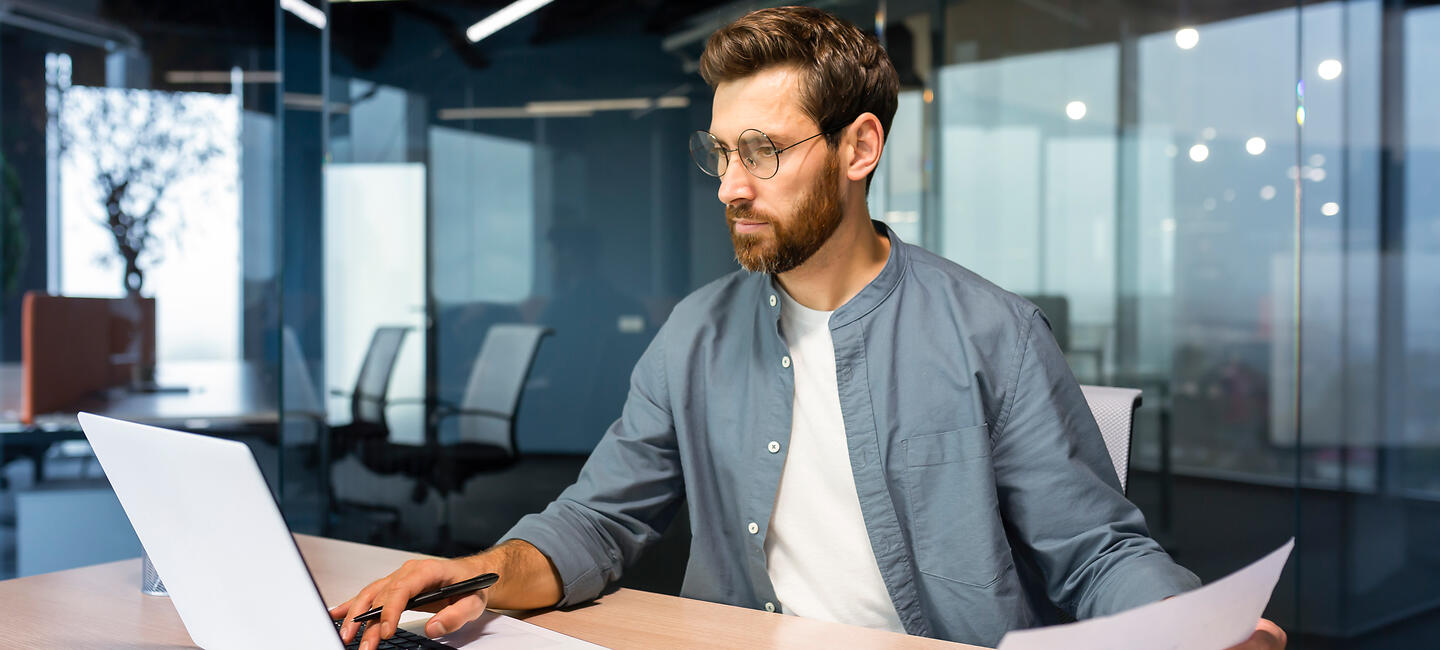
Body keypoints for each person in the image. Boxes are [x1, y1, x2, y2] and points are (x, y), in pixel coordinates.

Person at [331, 7, 1287, 649]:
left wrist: (1191, 625)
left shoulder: (991, 332)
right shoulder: (693, 337)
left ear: (859, 147)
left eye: (763, 151)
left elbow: (1094, 553)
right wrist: (482, 576)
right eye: (721, 154)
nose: (733, 185)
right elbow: (597, 521)